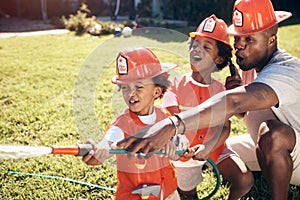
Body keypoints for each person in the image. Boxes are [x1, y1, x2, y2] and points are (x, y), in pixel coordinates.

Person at [115, 0, 300, 199]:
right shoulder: (252, 68)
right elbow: (240, 112)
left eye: (249, 39)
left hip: (292, 152)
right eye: (237, 37)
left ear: (271, 40)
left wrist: (172, 125)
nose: (239, 45)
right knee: (222, 154)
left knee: (272, 134)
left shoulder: (287, 69)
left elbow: (233, 102)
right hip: (275, 147)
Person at [162, 14, 253, 200]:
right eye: (195, 45)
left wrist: (209, 146)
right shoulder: (175, 84)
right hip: (182, 151)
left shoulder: (221, 91)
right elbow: (171, 123)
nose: (197, 50)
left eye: (206, 47)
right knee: (188, 192)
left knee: (245, 180)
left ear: (219, 59)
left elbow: (225, 127)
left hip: (214, 146)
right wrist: (182, 148)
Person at [82, 46, 189, 200]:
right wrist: (97, 153)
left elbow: (180, 148)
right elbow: (107, 143)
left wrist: (177, 150)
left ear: (157, 91)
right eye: (125, 87)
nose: (130, 93)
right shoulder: (121, 125)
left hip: (169, 192)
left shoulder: (165, 118)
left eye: (139, 86)